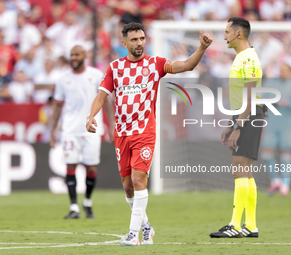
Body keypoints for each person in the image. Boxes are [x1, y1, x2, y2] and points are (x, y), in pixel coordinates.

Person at [86, 22, 212, 246]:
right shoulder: (115, 68)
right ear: (124, 43)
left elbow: (186, 66)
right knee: (127, 186)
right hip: (122, 133)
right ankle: (146, 227)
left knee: (138, 179)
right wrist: (91, 116)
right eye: (134, 40)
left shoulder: (156, 64)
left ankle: (133, 234)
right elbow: (101, 95)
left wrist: (201, 49)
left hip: (145, 131)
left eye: (142, 39)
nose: (139, 43)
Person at [209, 17, 262, 238]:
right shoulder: (243, 57)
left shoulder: (248, 58)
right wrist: (232, 125)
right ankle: (250, 225)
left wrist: (239, 126)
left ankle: (235, 225)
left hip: (250, 116)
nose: (224, 36)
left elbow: (249, 98)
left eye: (227, 31)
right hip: (246, 116)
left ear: (238, 34)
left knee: (239, 170)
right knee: (245, 172)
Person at [50, 43, 114, 219]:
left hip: (92, 129)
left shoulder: (95, 75)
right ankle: (73, 207)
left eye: (77, 54)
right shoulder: (63, 79)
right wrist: (52, 131)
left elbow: (106, 101)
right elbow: (57, 107)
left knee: (90, 167)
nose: (74, 58)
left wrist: (112, 125)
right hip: (69, 129)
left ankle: (87, 201)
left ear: (85, 56)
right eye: (72, 55)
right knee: (70, 165)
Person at [261, 63, 291, 196]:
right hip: (272, 125)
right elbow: (261, 98)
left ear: (290, 72)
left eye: (285, 70)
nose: (282, 72)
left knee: (286, 154)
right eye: (280, 70)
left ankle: (285, 185)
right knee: (266, 154)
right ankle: (275, 181)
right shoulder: (270, 84)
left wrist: (284, 102)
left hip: (287, 126)